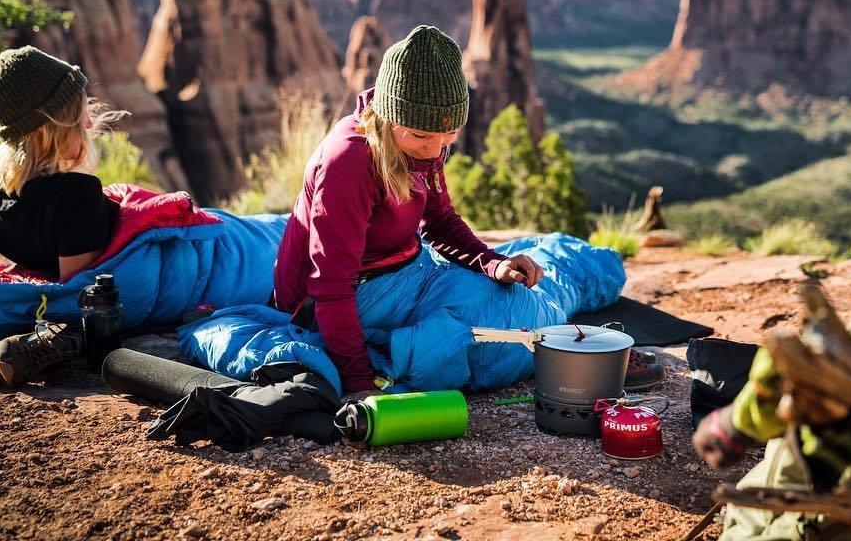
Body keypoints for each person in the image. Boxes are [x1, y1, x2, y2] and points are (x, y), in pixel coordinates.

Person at [274, 25, 663, 397]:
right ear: (389, 116)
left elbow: (440, 221)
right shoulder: (349, 162)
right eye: (423, 136)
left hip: (406, 270)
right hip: (348, 295)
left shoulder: (419, 138)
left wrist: (494, 263)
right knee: (510, 322)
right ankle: (572, 346)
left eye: (449, 135)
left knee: (509, 294)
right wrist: (357, 381)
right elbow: (330, 285)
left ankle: (563, 329)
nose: (436, 148)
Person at [0, 45, 125, 386]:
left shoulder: (4, 198)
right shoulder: (77, 195)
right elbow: (82, 293)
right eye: (78, 117)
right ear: (47, 130)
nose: (88, 123)